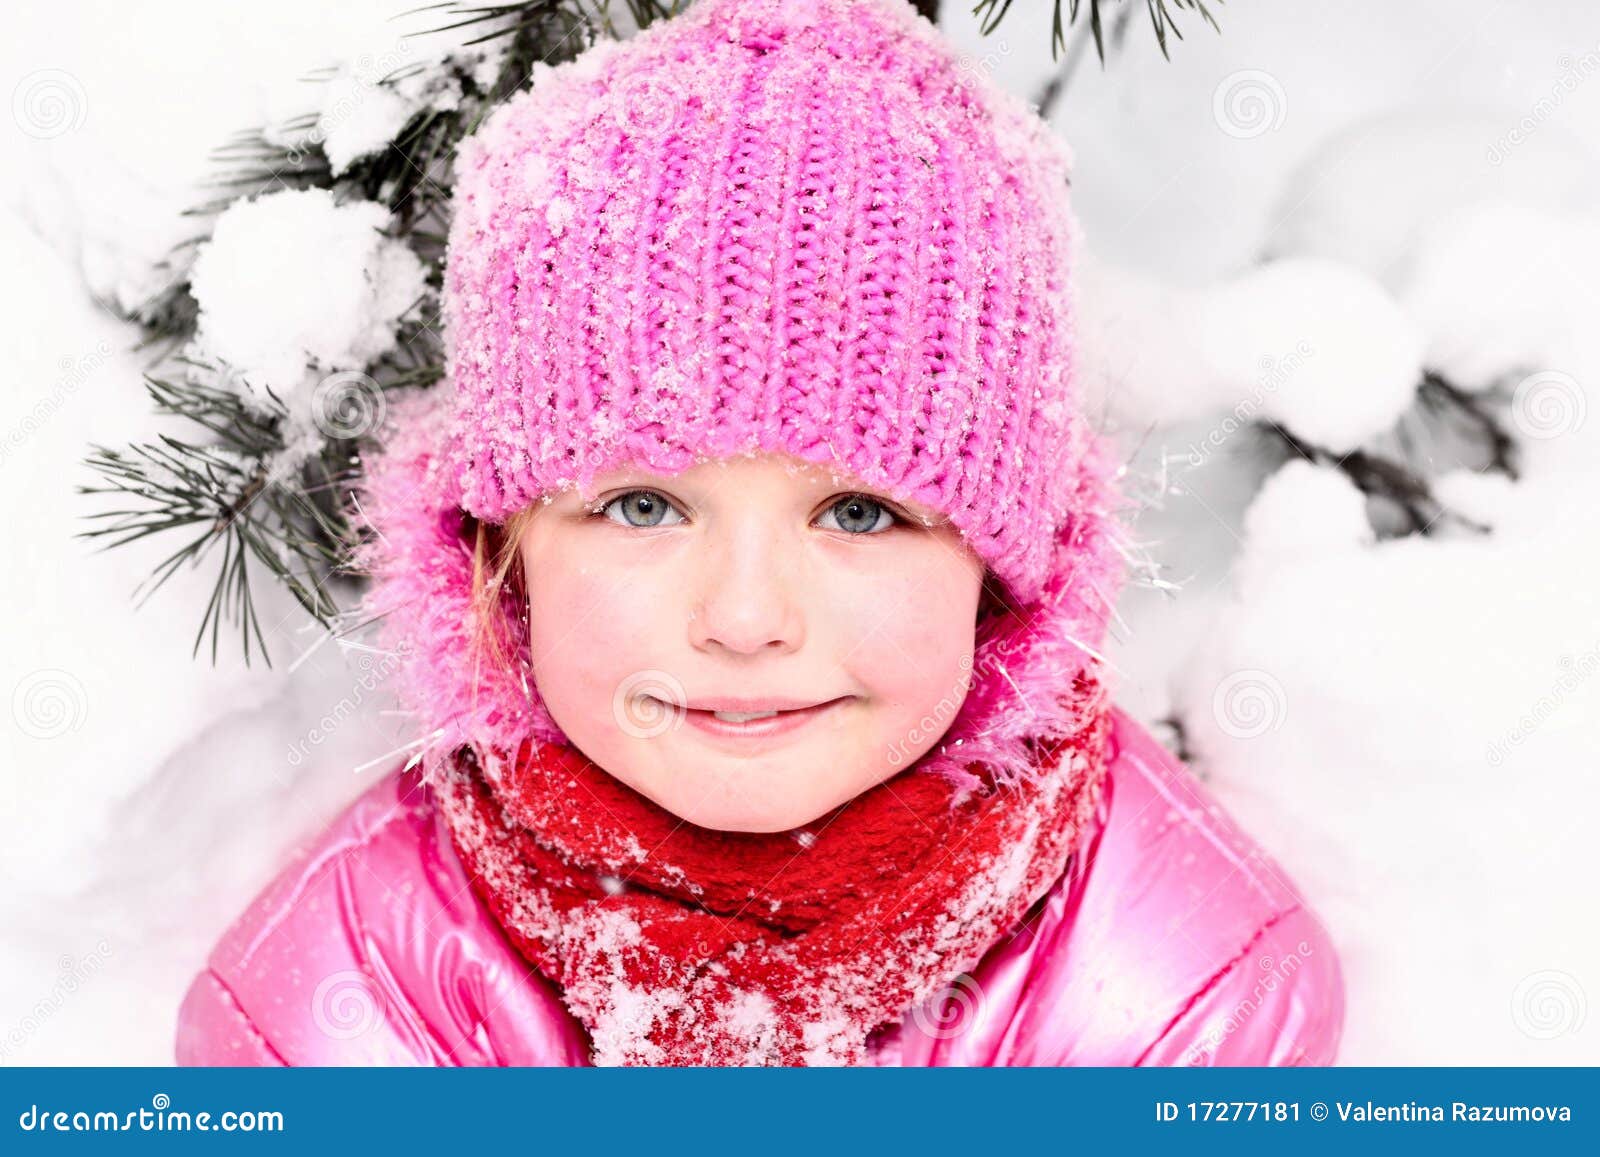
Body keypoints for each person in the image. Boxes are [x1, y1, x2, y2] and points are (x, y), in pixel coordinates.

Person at [174, 0, 1343, 1066]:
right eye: (643, 506)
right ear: (502, 551)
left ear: (999, 568)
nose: (742, 618)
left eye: (860, 511)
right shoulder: (341, 1001)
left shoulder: (1185, 990)